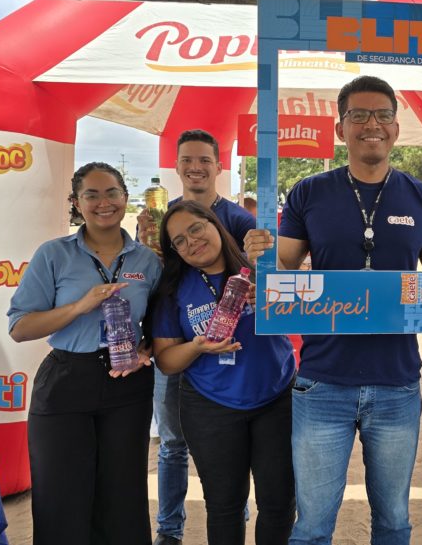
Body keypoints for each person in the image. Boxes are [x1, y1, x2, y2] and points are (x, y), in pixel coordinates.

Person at [244, 75, 422, 545]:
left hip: (397, 382)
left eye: (382, 115)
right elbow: (283, 267)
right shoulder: (308, 192)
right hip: (322, 381)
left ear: (396, 128)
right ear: (341, 129)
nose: (371, 124)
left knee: (394, 521)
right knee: (312, 526)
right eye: (358, 115)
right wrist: (263, 254)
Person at [7, 162, 161, 545]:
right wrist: (78, 307)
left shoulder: (147, 260)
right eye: (91, 195)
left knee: (123, 495)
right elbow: (20, 327)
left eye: (112, 193)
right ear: (77, 203)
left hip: (128, 384)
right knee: (61, 496)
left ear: (126, 198)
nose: (103, 203)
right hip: (66, 381)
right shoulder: (54, 254)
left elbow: (161, 322)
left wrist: (147, 349)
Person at [151, 201, 296, 545]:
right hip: (210, 408)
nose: (191, 242)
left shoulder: (261, 267)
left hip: (277, 399)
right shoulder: (174, 289)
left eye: (196, 229)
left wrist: (273, 299)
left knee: (279, 502)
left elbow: (309, 311)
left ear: (214, 224)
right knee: (224, 506)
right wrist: (197, 347)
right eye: (180, 241)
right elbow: (166, 360)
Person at [138, 129, 256, 545]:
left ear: (219, 166)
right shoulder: (161, 218)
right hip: (173, 340)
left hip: (229, 350)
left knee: (233, 441)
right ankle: (169, 530)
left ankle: (234, 515)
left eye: (204, 159)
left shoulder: (239, 219)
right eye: (187, 159)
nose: (195, 167)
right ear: (176, 166)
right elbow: (149, 278)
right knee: (173, 443)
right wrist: (144, 246)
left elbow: (260, 271)